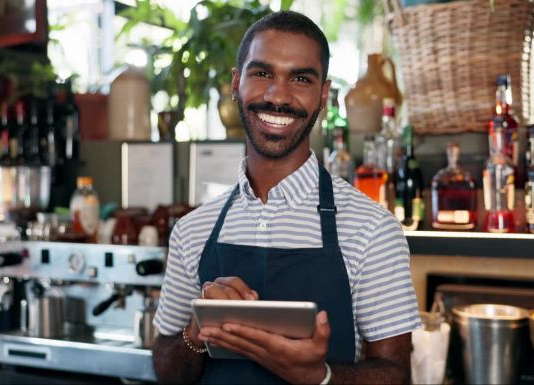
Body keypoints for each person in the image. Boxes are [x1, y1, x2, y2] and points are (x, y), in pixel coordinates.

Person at [152, 10, 421, 384]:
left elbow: (395, 375)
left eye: (300, 78)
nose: (278, 96)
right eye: (262, 73)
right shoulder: (192, 231)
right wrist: (196, 333)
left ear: (323, 95)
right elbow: (166, 369)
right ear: (236, 83)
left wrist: (319, 376)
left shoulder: (373, 230)